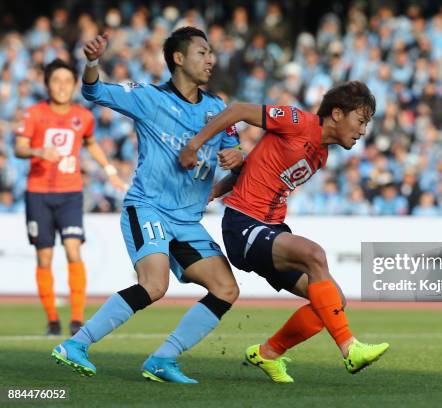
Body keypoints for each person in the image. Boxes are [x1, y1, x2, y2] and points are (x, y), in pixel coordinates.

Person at [51, 27, 244, 383]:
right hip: (148, 208)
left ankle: (162, 359)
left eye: (211, 52)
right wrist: (93, 62)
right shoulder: (149, 98)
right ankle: (76, 344)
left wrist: (237, 154)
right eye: (202, 52)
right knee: (155, 285)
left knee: (226, 289)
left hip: (187, 220)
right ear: (178, 58)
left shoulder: (218, 109)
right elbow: (92, 90)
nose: (211, 59)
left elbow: (236, 151)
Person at [179, 81, 389, 383]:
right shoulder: (296, 121)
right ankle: (349, 348)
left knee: (332, 303)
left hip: (270, 227)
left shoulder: (321, 155)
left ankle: (268, 353)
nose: (362, 131)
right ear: (338, 113)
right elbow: (237, 110)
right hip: (243, 224)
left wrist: (218, 189)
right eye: (360, 121)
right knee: (314, 254)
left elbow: (259, 168)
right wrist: (193, 145)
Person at [15, 59, 127, 336]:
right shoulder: (34, 114)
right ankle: (52, 320)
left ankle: (77, 319)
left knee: (74, 249)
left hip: (70, 193)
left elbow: (90, 142)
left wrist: (110, 170)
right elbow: (19, 147)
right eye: (56, 81)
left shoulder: (83, 116)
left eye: (67, 81)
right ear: (47, 84)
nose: (62, 87)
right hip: (38, 194)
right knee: (44, 257)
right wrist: (40, 152)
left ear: (75, 85)